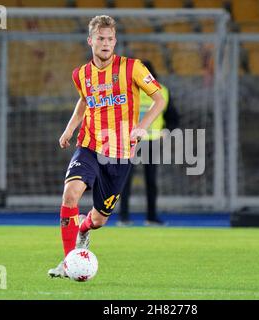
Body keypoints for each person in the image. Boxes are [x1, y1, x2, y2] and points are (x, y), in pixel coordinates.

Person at [48, 15, 166, 278]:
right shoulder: (80, 74)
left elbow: (158, 100)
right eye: (100, 38)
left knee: (99, 219)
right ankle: (68, 262)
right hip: (89, 145)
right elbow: (84, 100)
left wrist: (142, 126)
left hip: (120, 153)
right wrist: (70, 128)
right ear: (91, 41)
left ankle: (84, 230)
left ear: (115, 42)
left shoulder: (133, 68)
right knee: (70, 194)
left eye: (110, 39)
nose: (105, 43)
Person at [118, 60, 179, 227]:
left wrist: (167, 130)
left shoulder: (162, 92)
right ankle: (124, 217)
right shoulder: (128, 91)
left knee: (150, 181)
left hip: (151, 142)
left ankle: (150, 217)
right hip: (131, 141)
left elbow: (173, 118)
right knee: (125, 180)